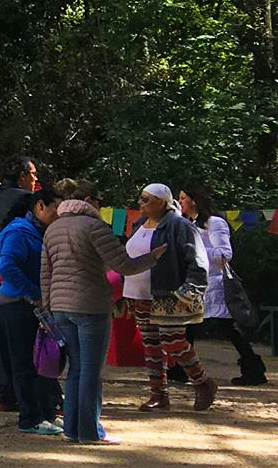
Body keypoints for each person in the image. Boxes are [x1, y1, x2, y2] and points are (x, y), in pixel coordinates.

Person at [41, 178, 165, 444]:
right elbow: (123, 265)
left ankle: (71, 430)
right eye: (98, 201)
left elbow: (46, 273)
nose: (100, 206)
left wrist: (48, 306)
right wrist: (154, 256)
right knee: (91, 371)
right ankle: (90, 431)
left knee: (75, 370)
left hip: (60, 307)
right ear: (88, 202)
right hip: (91, 306)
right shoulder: (95, 226)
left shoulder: (53, 228)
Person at [125, 182, 215, 411]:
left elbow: (197, 259)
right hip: (139, 294)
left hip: (168, 293)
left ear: (162, 203)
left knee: (172, 341)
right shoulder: (138, 224)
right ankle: (159, 394)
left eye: (146, 199)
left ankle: (202, 382)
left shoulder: (179, 225)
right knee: (151, 344)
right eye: (140, 198)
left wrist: (190, 289)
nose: (140, 203)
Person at [178, 185, 266, 387]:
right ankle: (181, 369)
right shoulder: (189, 224)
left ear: (194, 200)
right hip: (195, 283)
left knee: (227, 327)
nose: (180, 201)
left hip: (215, 284)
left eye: (183, 197)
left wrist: (194, 252)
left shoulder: (214, 223)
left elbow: (225, 254)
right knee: (188, 326)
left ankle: (253, 369)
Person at [0, 189, 63, 434]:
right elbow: (8, 267)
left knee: (45, 362)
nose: (59, 214)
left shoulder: (41, 232)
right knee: (24, 364)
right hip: (17, 307)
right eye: (56, 209)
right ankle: (30, 419)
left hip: (36, 307)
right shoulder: (18, 232)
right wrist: (35, 294)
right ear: (40, 206)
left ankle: (47, 415)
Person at [0, 156, 42, 412]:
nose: (36, 180)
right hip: (13, 280)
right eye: (33, 174)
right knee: (21, 341)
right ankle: (22, 395)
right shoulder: (21, 200)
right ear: (22, 176)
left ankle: (4, 393)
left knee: (2, 339)